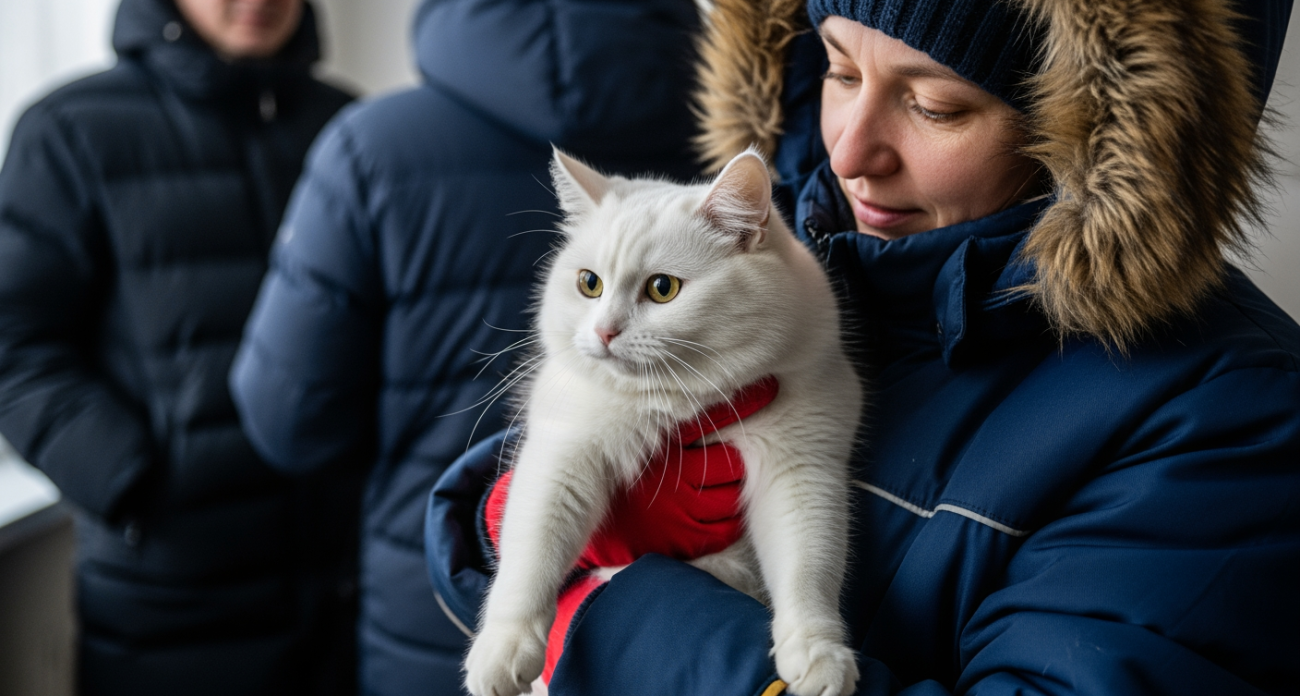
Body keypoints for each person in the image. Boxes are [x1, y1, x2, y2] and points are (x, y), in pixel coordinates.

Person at [426, 0, 1300, 694]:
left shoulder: (1233, 422)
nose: (848, 152)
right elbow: (500, 513)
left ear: (1096, 135)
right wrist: (502, 509)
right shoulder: (798, 260)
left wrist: (610, 612)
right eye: (839, 69)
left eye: (936, 104)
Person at [226, 0, 704, 693]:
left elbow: (288, 420)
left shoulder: (371, 147)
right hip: (671, 631)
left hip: (443, 613)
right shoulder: (742, 151)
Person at [0, 1, 358, 694]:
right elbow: (11, 337)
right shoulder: (71, 131)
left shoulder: (349, 129)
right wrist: (133, 481)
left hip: (341, 586)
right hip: (167, 597)